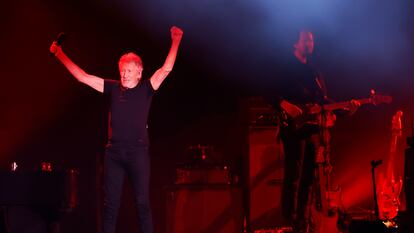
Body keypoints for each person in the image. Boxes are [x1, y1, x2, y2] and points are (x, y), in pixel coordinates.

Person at [50, 26, 183, 233]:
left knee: (142, 204)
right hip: (113, 154)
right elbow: (82, 77)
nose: (124, 74)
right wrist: (59, 53)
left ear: (139, 71)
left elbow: (166, 69)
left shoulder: (147, 88)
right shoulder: (112, 88)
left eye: (128, 71)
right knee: (110, 207)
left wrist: (176, 40)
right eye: (122, 71)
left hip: (138, 153)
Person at [274, 29, 359, 232]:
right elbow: (269, 91)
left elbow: (324, 102)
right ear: (295, 43)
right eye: (306, 40)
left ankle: (303, 219)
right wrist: (285, 104)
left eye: (312, 41)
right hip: (293, 127)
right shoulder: (284, 67)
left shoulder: (315, 72)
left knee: (309, 175)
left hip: (312, 128)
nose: (310, 44)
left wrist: (348, 109)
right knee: (293, 174)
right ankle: (290, 219)